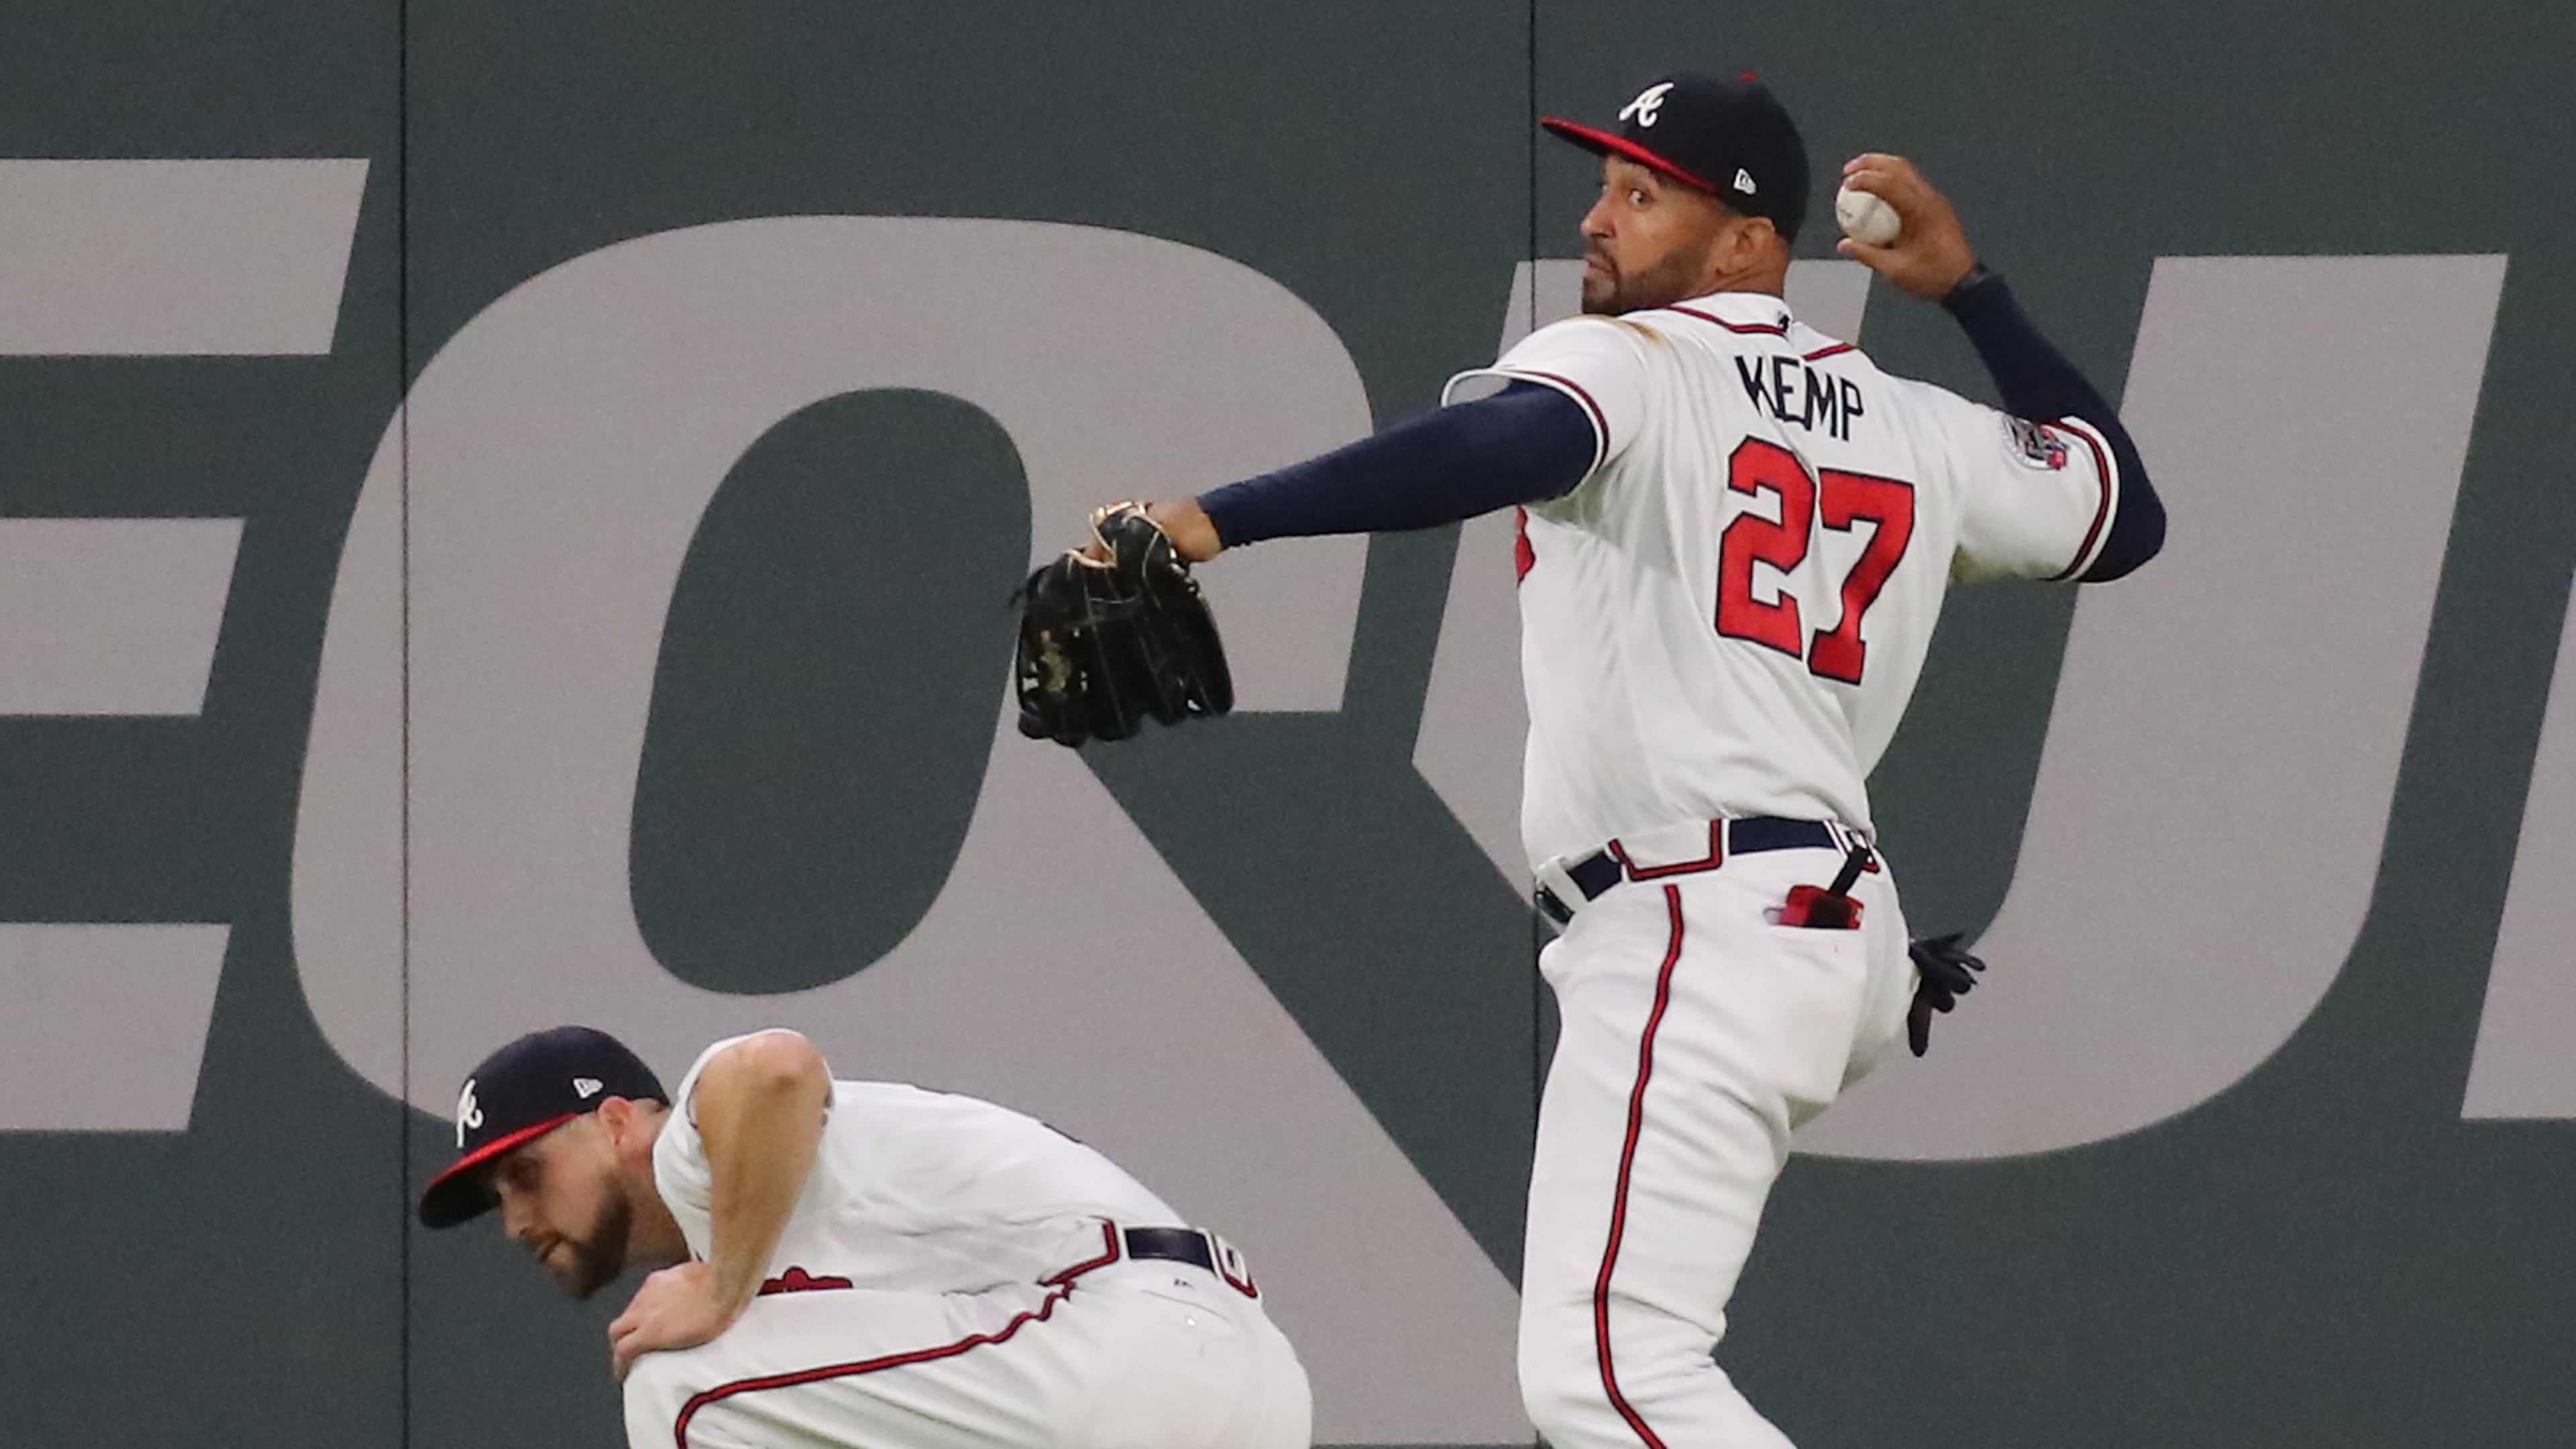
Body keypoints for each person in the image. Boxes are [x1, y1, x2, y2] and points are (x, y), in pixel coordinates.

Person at [1099, 70, 2165, 1449]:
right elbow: (2121, 509)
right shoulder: (1916, 427)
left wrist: (1204, 521)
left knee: (1607, 1383)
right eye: (1604, 185)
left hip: (1697, 914)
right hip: (1809, 927)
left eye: (1641, 193)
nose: (1597, 219)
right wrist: (1971, 295)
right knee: (1610, 1385)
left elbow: (1507, 439)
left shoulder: (1635, 362)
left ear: (1744, 241)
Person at [417, 1024, 1309, 1449]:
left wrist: (726, 1286)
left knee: (679, 1386)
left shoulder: (691, 1154)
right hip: (1249, 1388)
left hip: (1125, 1343)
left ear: (615, 1124)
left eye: (526, 1173)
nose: (517, 1221)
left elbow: (777, 1068)